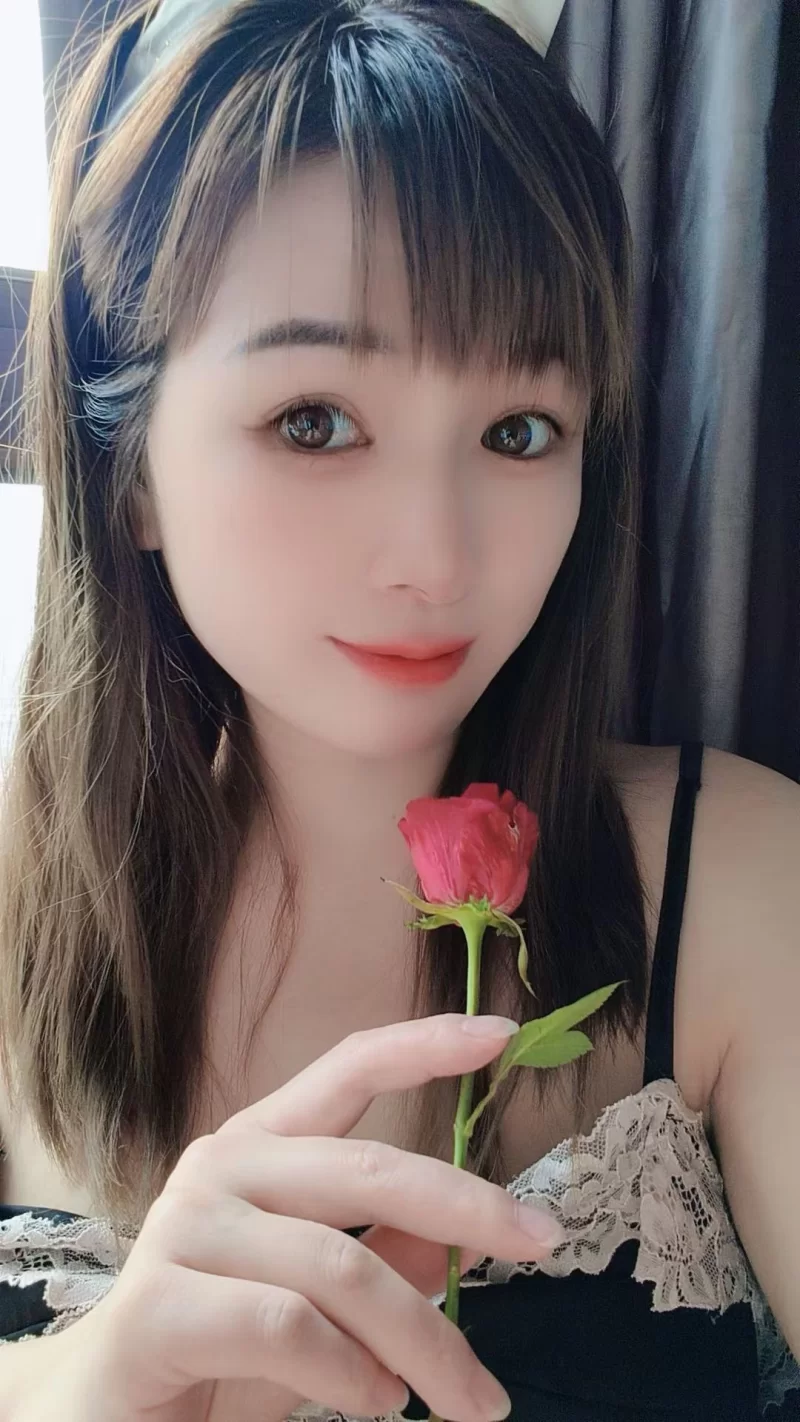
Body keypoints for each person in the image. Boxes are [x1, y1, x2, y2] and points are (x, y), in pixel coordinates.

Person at [0, 0, 797, 1418]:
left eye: (519, 431)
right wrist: (90, 1384)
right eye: (315, 421)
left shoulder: (735, 880)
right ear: (127, 472)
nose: (437, 555)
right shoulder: (12, 895)